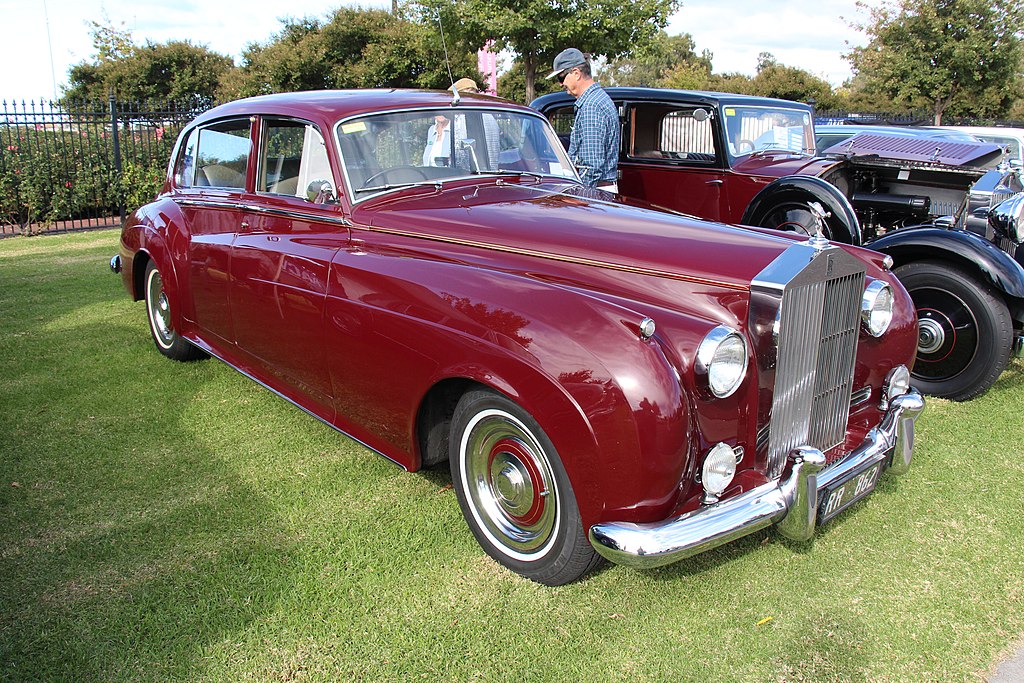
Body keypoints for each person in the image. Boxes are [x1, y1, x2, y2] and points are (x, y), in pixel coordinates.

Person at [546, 48, 619, 191]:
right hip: (601, 189)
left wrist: (581, 199)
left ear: (576, 73)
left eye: (561, 77)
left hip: (594, 192)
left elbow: (590, 166)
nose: (560, 84)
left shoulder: (591, 106)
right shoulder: (598, 99)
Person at [453, 78, 501, 171]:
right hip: (491, 174)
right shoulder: (490, 117)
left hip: (465, 176)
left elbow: (458, 154)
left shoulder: (459, 118)